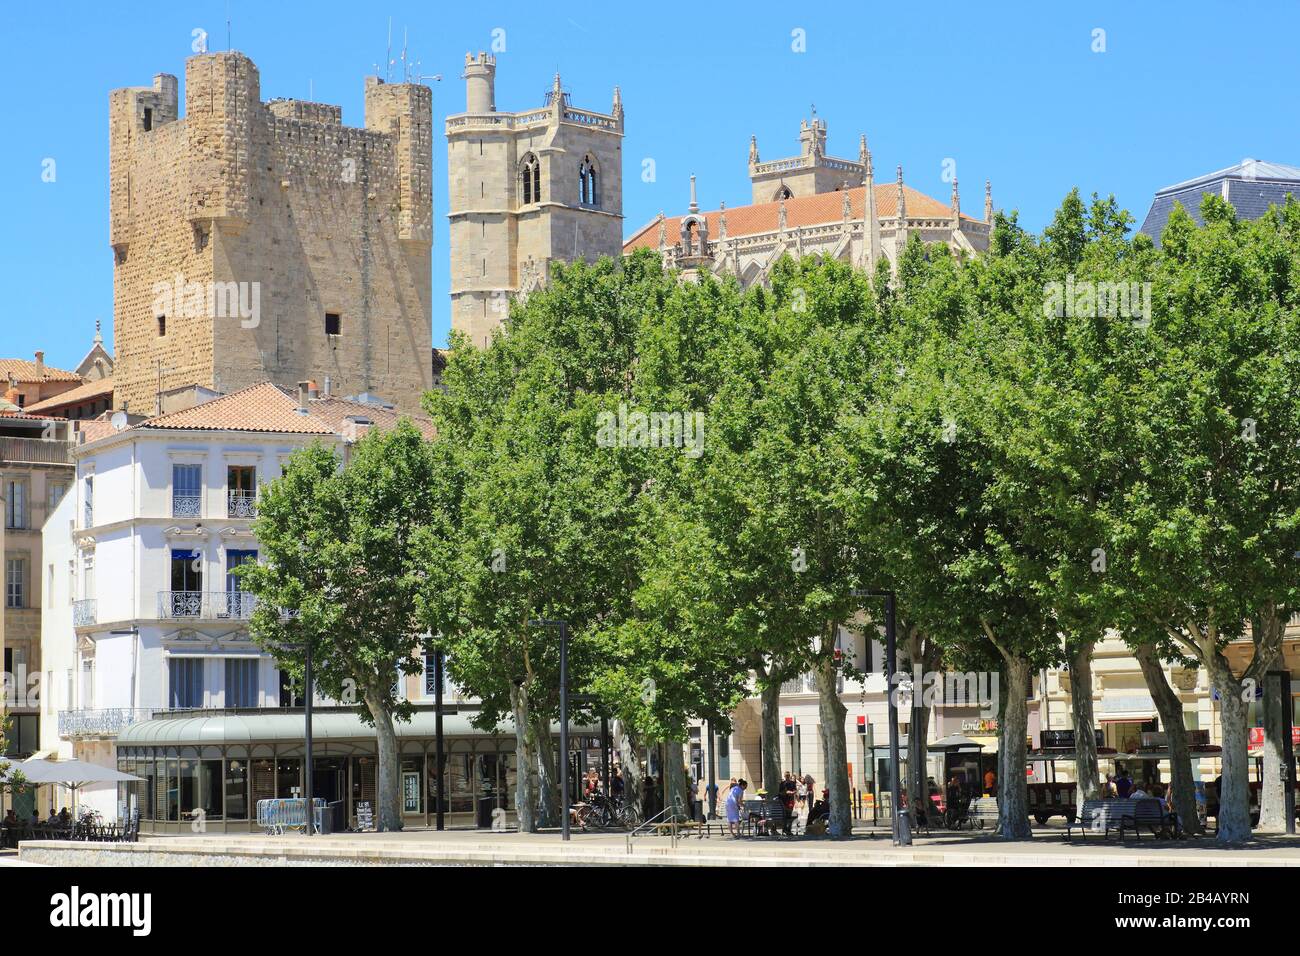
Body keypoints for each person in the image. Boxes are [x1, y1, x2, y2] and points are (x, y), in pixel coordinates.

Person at [779, 771, 798, 836]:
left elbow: (795, 790)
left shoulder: (792, 783)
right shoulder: (782, 783)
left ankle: (788, 830)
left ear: (789, 776)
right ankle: (785, 830)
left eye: (788, 775)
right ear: (784, 776)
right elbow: (780, 792)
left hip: (790, 801)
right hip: (784, 801)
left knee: (789, 815)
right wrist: (786, 792)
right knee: (785, 816)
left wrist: (792, 792)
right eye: (786, 775)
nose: (787, 776)